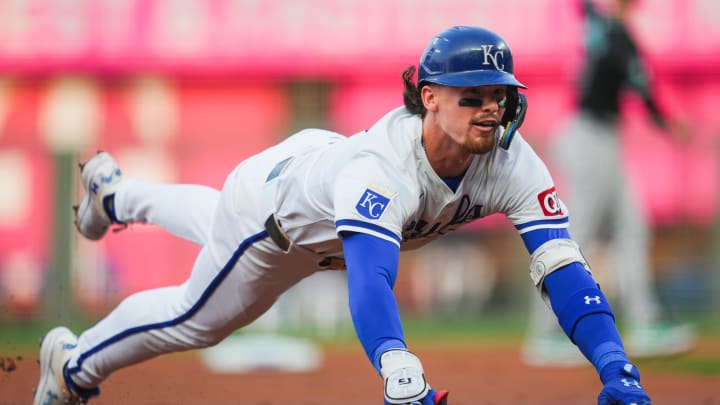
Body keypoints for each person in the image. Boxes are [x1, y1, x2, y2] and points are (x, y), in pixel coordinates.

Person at [34, 26, 653, 405]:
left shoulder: (510, 161)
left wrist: (615, 368)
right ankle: (73, 366)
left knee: (215, 216)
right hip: (274, 226)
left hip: (313, 171)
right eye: (473, 95)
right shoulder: (383, 170)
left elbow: (562, 265)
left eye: (500, 95)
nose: (491, 109)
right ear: (430, 98)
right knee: (197, 318)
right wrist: (395, 361)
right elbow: (371, 275)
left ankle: (114, 196)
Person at [523, 0, 695, 367]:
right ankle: (546, 334)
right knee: (575, 235)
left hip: (602, 138)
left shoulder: (609, 30)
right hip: (588, 137)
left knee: (632, 228)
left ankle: (645, 324)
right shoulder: (614, 34)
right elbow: (643, 91)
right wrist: (669, 124)